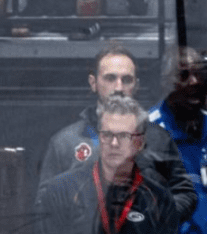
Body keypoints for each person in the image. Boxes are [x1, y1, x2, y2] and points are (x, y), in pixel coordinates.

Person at [38, 45, 197, 223]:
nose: (119, 87)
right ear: (93, 83)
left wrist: (154, 219)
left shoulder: (156, 138)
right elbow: (44, 205)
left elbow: (185, 194)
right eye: (110, 78)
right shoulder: (65, 142)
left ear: (136, 85)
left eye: (127, 79)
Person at [35, 96, 181, 234]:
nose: (114, 143)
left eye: (123, 136)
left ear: (139, 143)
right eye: (107, 134)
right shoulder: (61, 191)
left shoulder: (158, 196)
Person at [149, 46, 207, 234]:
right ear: (166, 82)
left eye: (200, 75)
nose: (195, 82)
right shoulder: (148, 132)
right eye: (184, 75)